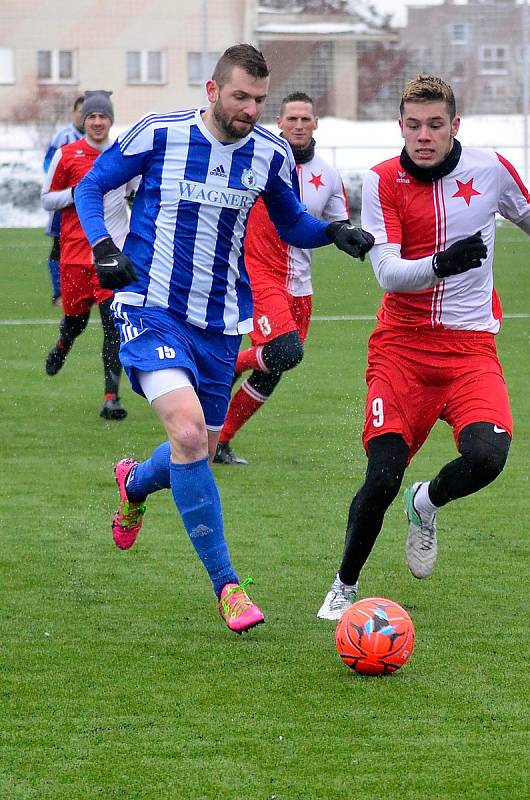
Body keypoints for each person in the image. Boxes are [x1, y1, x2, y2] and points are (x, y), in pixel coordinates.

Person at [317, 74, 530, 620]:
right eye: (414, 125)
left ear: (455, 126)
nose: (424, 136)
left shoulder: (490, 170)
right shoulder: (381, 182)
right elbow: (389, 274)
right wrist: (443, 264)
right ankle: (343, 586)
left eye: (435, 125)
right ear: (400, 126)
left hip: (471, 349)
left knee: (488, 458)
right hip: (402, 347)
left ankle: (426, 503)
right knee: (381, 475)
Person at [74, 44, 374, 634]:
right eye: (241, 97)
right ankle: (228, 587)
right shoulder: (159, 134)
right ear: (212, 92)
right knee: (187, 432)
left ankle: (134, 482)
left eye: (260, 100)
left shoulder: (268, 152)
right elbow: (91, 187)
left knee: (199, 450)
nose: (251, 109)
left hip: (217, 321)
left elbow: (289, 221)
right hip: (149, 306)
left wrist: (334, 231)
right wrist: (103, 249)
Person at [214, 91, 350, 465]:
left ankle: (220, 442)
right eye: (292, 119)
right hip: (259, 276)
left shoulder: (328, 175)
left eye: (306, 119)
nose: (299, 125)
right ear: (279, 122)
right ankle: (228, 364)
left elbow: (337, 225)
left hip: (300, 284)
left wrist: (353, 237)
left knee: (276, 366)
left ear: (316, 123)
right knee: (284, 351)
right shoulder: (259, 160)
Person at [42, 90, 135, 421]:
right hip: (75, 256)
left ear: (110, 119)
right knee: (76, 323)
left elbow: (134, 192)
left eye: (103, 116)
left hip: (112, 254)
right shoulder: (67, 155)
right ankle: (62, 346)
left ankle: (112, 398)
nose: (97, 122)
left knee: (115, 325)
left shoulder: (124, 154)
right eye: (92, 117)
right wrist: (78, 193)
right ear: (84, 120)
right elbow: (47, 198)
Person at [43, 95, 85, 305]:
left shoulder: (101, 139)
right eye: (81, 111)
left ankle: (92, 292)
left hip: (90, 204)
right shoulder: (64, 137)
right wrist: (62, 189)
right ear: (74, 113)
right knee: (59, 247)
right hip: (65, 204)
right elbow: (48, 164)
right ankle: (59, 293)